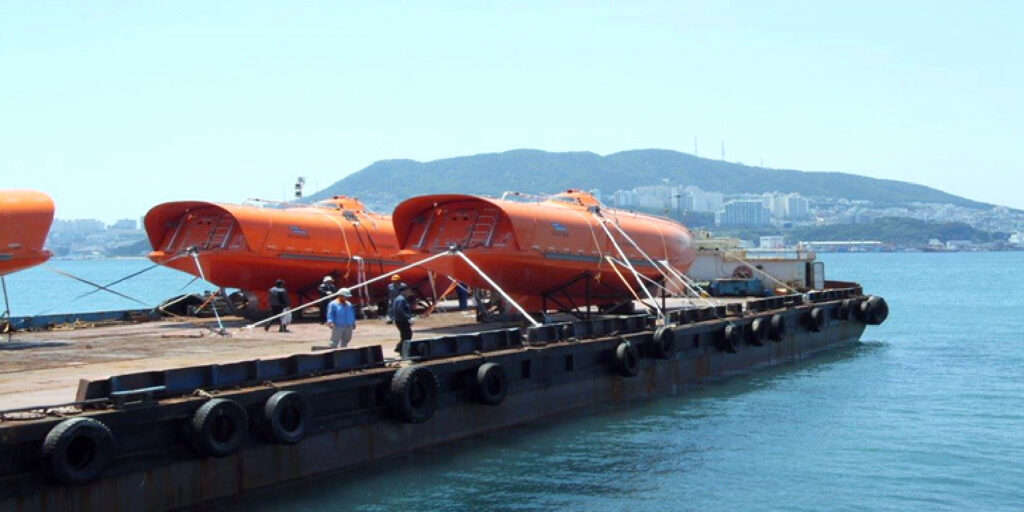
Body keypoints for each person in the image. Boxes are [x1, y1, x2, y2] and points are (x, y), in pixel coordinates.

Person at [392, 284, 414, 352]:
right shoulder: (401, 299)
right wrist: (408, 318)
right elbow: (400, 310)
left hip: (400, 320)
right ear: (403, 291)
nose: (409, 292)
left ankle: (399, 348)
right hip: (402, 321)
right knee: (407, 335)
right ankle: (401, 349)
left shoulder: (400, 299)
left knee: (406, 335)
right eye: (408, 290)